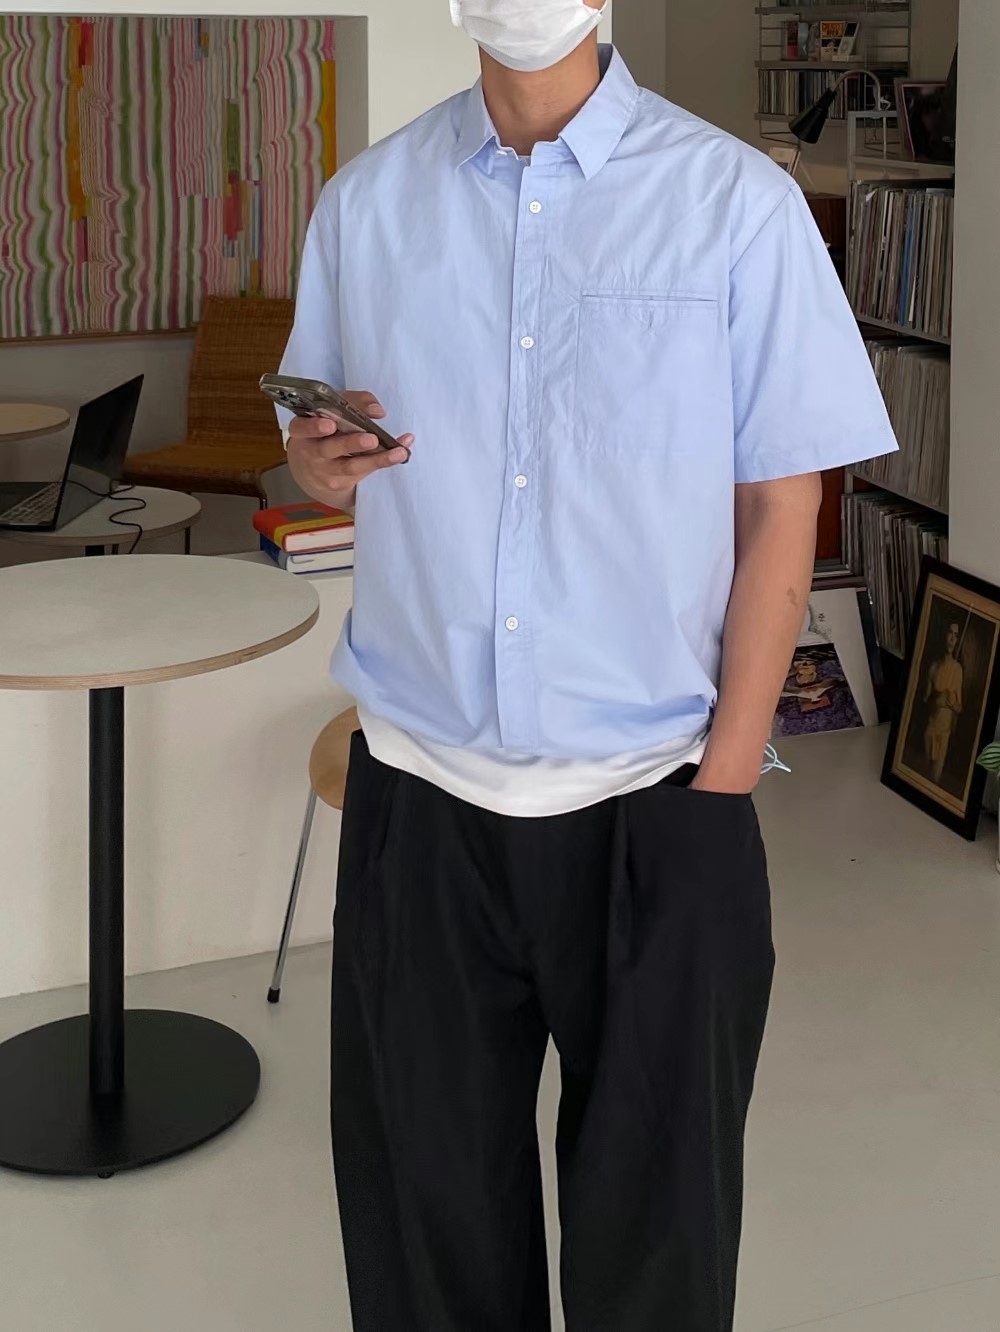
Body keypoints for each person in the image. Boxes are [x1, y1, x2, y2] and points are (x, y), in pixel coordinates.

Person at [278, 2, 898, 1327]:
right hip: (419, 803)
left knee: (656, 1260)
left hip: (658, 802)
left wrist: (723, 787)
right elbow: (318, 440)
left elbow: (780, 508)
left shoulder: (733, 203)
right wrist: (319, 462)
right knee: (427, 1253)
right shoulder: (365, 205)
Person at [923, 620, 964, 785]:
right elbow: (924, 701)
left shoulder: (958, 670)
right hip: (930, 729)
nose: (952, 639)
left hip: (945, 732)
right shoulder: (933, 667)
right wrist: (937, 698)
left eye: (956, 635)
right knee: (925, 777)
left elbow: (960, 708)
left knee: (936, 779)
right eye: (950, 633)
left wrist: (953, 704)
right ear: (944, 635)